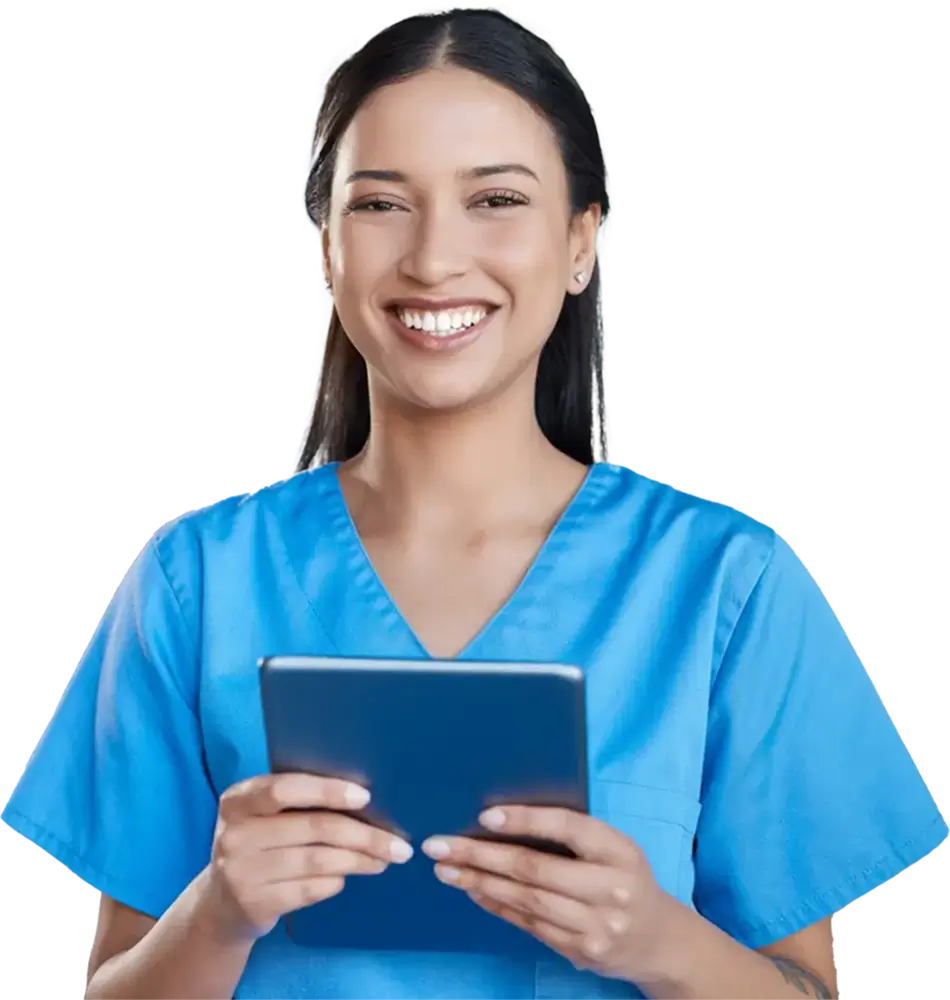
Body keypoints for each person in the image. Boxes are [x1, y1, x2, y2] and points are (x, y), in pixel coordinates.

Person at [3, 7, 944, 1000]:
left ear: (580, 242)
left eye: (495, 198)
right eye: (379, 204)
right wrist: (220, 912)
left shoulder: (724, 589)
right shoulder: (196, 585)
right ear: (325, 242)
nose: (432, 258)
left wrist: (659, 941)